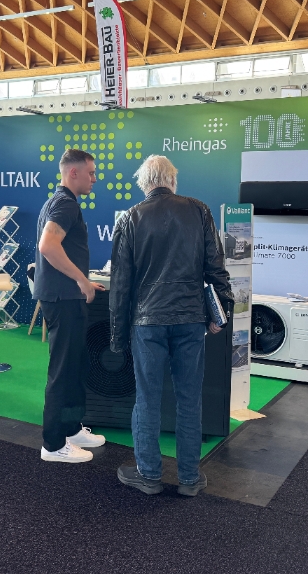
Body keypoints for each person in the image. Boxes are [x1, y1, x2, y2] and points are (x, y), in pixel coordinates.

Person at [109, 155, 232, 497]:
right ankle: (189, 478)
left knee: (147, 399)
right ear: (172, 180)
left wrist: (117, 336)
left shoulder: (130, 218)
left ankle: (148, 475)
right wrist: (221, 312)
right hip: (191, 319)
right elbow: (216, 266)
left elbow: (120, 285)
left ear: (144, 183)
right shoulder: (199, 210)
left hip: (147, 322)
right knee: (189, 399)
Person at [33, 148, 107, 464]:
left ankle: (71, 429)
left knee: (75, 366)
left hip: (66, 296)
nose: (94, 178)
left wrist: (84, 282)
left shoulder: (60, 201)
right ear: (73, 173)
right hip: (63, 298)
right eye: (91, 173)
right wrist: (81, 281)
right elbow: (48, 246)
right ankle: (52, 445)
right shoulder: (65, 204)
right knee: (63, 371)